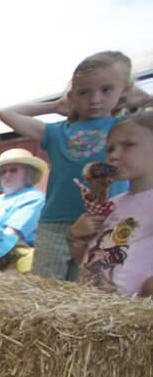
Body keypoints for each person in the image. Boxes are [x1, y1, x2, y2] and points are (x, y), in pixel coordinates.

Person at [0, 51, 151, 281]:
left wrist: (145, 99)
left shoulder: (125, 127)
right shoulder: (57, 131)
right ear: (72, 95)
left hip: (106, 220)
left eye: (106, 89)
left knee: (89, 281)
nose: (94, 99)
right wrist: (54, 106)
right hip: (55, 221)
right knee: (45, 285)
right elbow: (7, 114)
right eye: (84, 92)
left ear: (124, 91)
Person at [69, 112, 153, 297]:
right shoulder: (112, 205)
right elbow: (89, 256)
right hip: (89, 301)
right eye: (110, 149)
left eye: (129, 145)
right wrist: (75, 236)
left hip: (127, 311)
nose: (113, 156)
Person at [0, 149, 47, 273]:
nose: (7, 175)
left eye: (13, 170)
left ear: (28, 173)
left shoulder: (35, 198)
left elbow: (11, 236)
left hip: (13, 254)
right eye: (3, 172)